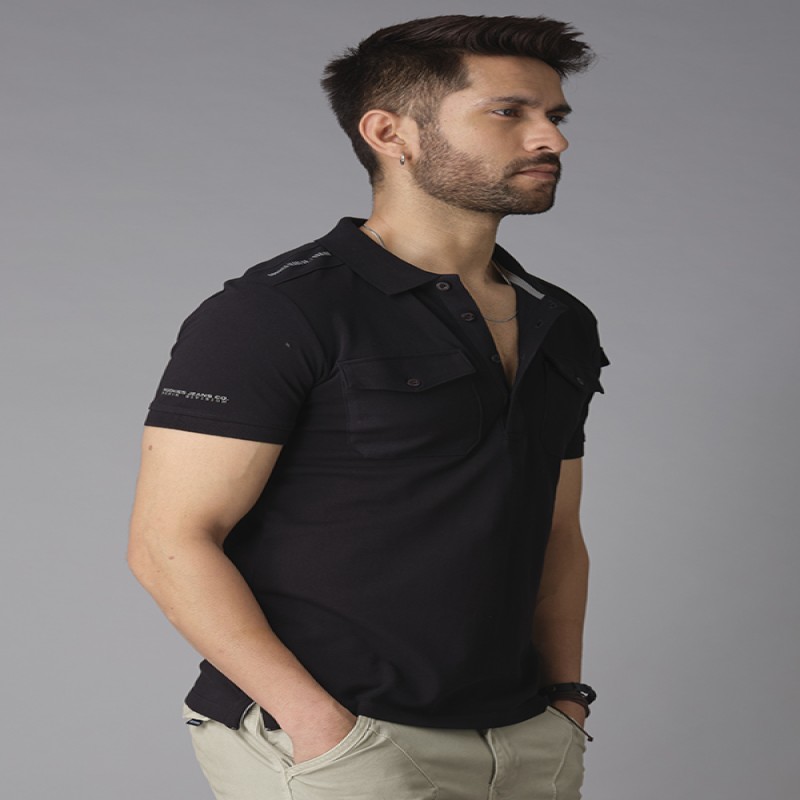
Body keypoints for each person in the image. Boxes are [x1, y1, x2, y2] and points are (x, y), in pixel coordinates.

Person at [128, 14, 609, 800]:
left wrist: (565, 703)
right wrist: (317, 726)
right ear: (391, 133)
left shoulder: (560, 319)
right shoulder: (276, 311)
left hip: (525, 741)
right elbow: (167, 542)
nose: (550, 138)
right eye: (508, 112)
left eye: (554, 115)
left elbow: (558, 532)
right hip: (343, 741)